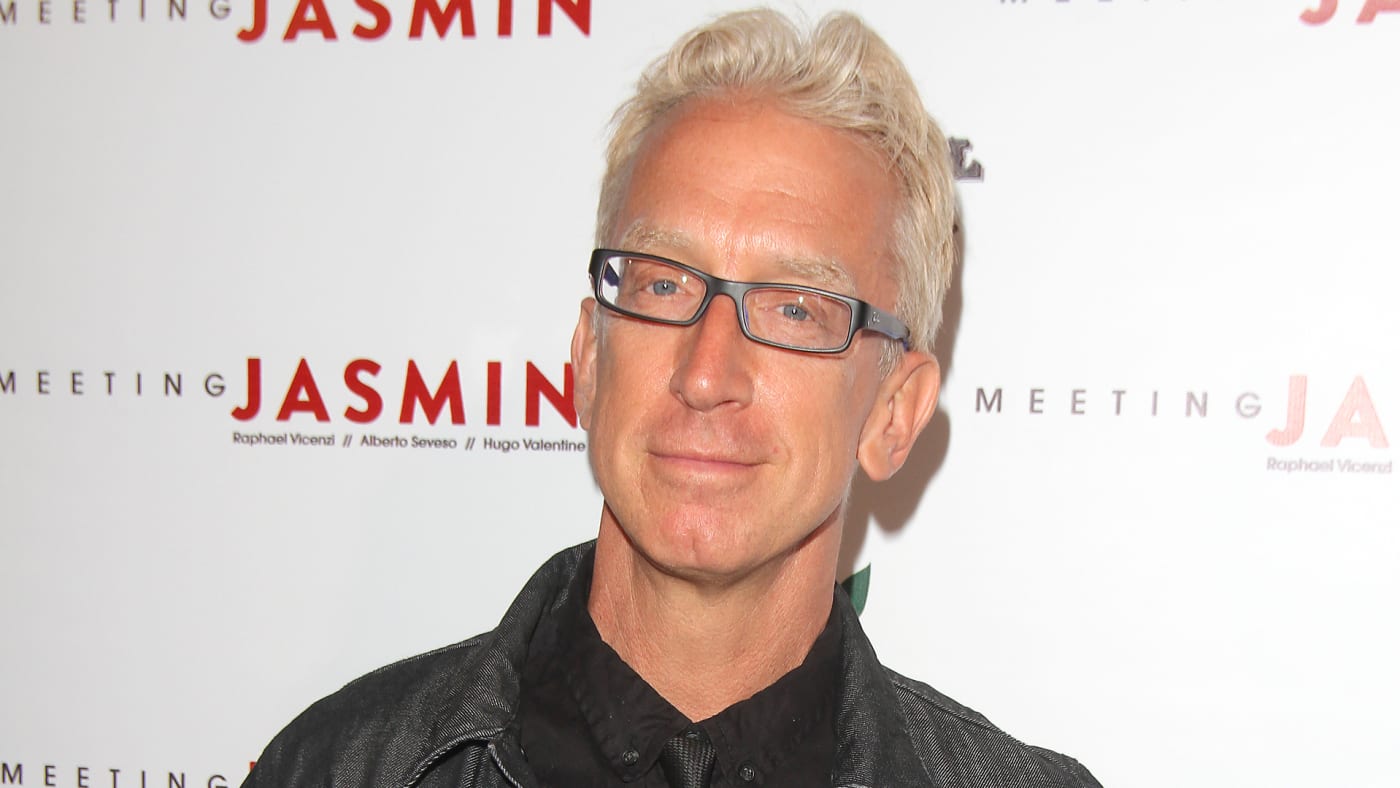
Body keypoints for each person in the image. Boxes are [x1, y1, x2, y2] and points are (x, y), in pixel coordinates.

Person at [243, 9, 1102, 788]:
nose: (706, 374)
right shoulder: (338, 769)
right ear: (589, 359)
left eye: (795, 309)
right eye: (661, 285)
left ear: (894, 413)